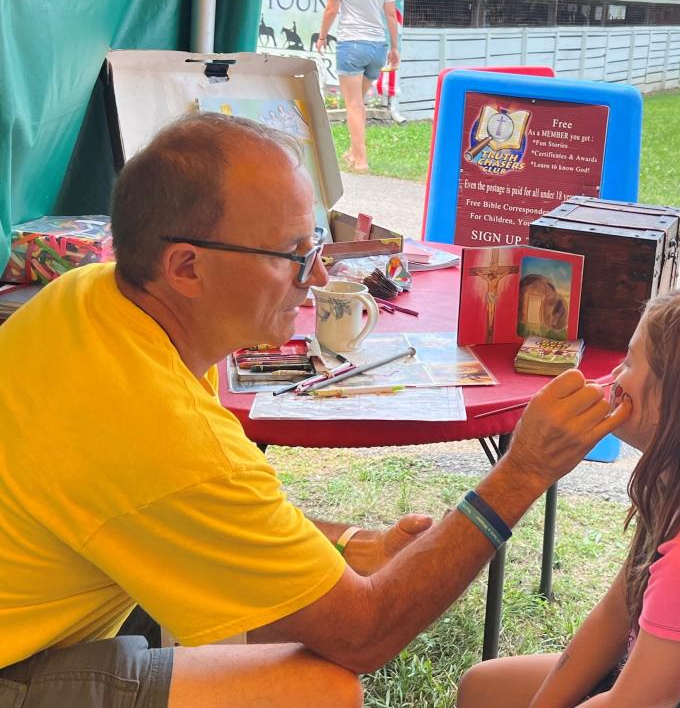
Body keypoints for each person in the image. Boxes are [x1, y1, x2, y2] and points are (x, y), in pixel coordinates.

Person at [0, 113, 628, 707]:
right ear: (186, 267)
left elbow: (198, 507)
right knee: (316, 690)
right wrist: (521, 474)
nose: (319, 274)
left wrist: (357, 544)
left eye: (318, 243)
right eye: (294, 252)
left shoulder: (88, 297)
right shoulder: (163, 429)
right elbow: (363, 634)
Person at [458, 286, 680, 708]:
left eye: (630, 361)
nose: (614, 377)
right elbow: (617, 613)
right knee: (483, 686)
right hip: (654, 677)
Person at [317, 0, 399, 172]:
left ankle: (361, 161)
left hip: (352, 43)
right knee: (358, 103)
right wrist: (395, 47)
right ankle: (354, 153)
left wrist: (322, 37)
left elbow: (331, 8)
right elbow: (391, 14)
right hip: (378, 46)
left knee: (353, 105)